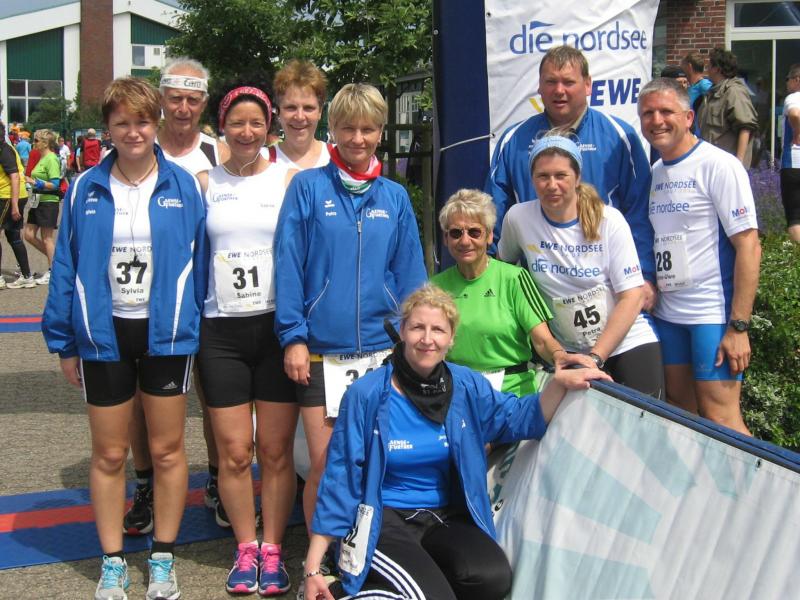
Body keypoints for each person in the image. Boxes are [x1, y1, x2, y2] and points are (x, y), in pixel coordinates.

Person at [302, 284, 612, 600]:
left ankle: (399, 586)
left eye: (438, 329)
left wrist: (559, 383)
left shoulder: (464, 384)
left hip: (441, 515)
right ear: (402, 332)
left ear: (451, 338)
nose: (427, 338)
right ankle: (346, 591)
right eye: (417, 327)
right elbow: (340, 477)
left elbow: (517, 418)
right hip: (384, 520)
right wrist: (313, 566)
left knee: (492, 579)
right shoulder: (367, 394)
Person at [41, 77, 206, 600]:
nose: (133, 132)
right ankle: (112, 561)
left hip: (166, 335)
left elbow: (202, 264)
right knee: (109, 454)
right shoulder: (84, 187)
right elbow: (65, 266)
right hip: (103, 333)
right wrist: (63, 340)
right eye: (121, 123)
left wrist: (197, 328)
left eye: (142, 121)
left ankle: (163, 557)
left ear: (156, 124)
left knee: (167, 449)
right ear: (106, 129)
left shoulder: (184, 186)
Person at [275, 82, 428, 589]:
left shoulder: (395, 196)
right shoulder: (307, 188)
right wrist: (294, 336)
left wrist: (413, 340)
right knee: (325, 465)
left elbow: (410, 275)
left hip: (382, 351)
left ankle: (365, 556)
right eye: (347, 128)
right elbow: (288, 266)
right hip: (323, 352)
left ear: (381, 132)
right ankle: (317, 567)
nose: (358, 138)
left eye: (368, 129)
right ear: (332, 130)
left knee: (377, 459)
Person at [121, 56, 231, 538]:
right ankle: (145, 486)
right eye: (175, 98)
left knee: (214, 399)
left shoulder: (218, 152)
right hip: (147, 300)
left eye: (193, 99)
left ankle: (216, 480)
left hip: (207, 299)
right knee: (140, 406)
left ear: (204, 102)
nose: (183, 108)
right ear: (161, 99)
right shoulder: (140, 145)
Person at [197, 83, 298, 597]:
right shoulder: (203, 182)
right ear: (222, 126)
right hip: (221, 331)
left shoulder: (288, 179)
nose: (246, 131)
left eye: (256, 122)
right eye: (237, 122)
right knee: (235, 452)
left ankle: (273, 546)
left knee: (276, 451)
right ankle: (245, 546)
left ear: (269, 127)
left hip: (275, 328)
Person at [485, 45, 656, 310]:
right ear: (539, 87)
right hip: (536, 293)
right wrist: (487, 278)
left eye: (568, 82)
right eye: (550, 82)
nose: (559, 90)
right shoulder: (513, 140)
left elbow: (640, 210)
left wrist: (644, 275)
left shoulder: (620, 137)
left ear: (588, 85)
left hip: (607, 287)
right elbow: (492, 213)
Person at [498, 133, 664, 399]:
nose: (552, 185)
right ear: (532, 179)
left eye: (561, 175)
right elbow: (504, 271)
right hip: (567, 350)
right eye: (543, 176)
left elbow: (632, 296)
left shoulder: (609, 220)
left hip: (627, 341)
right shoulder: (518, 218)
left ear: (577, 178)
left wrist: (596, 357)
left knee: (643, 422)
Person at [638, 77, 760, 435]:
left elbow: (749, 246)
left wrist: (739, 326)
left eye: (666, 111)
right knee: (681, 416)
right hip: (669, 315)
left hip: (711, 314)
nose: (656, 121)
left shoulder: (719, 165)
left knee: (721, 418)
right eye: (647, 114)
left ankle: (758, 475)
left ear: (689, 117)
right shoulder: (655, 173)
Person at [431, 189, 595, 394]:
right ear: (445, 238)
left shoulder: (514, 279)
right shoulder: (435, 287)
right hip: (458, 392)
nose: (465, 241)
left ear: (489, 235)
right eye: (456, 233)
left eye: (474, 232)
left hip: (512, 393)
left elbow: (542, 340)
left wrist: (559, 356)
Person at [696, 47, 759, 168]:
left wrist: (738, 163)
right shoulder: (713, 93)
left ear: (717, 69)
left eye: (709, 66)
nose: (707, 69)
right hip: (712, 164)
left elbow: (745, 127)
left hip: (728, 166)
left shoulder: (734, 92)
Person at [268, 59, 330, 169]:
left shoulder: (340, 158)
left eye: (308, 108)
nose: (300, 117)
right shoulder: (261, 161)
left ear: (320, 111)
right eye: (291, 108)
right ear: (278, 111)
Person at [23, 129, 61, 286]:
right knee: (28, 235)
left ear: (45, 143)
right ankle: (58, 260)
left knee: (47, 238)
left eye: (36, 140)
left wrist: (35, 182)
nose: (34, 143)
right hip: (37, 200)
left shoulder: (51, 158)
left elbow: (55, 184)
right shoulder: (41, 157)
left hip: (48, 201)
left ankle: (53, 270)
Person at [0, 121, 33, 290]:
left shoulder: (4, 150)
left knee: (12, 236)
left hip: (8, 196)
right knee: (13, 236)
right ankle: (27, 276)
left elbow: (14, 176)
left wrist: (14, 205)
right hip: (13, 195)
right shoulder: (7, 148)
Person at [780, 63, 800, 243]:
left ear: (797, 80)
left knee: (795, 217)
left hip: (794, 162)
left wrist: (797, 132)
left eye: (788, 79)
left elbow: (794, 114)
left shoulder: (793, 97)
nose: (786, 83)